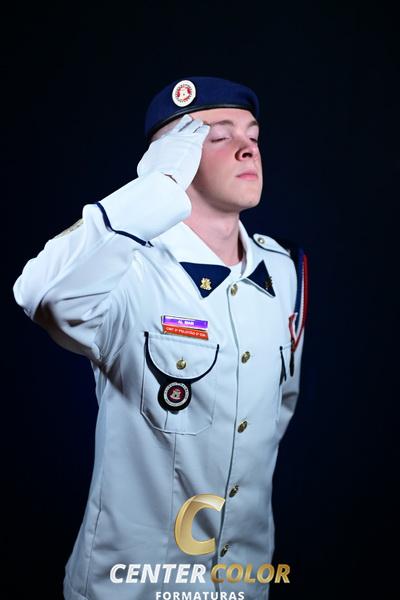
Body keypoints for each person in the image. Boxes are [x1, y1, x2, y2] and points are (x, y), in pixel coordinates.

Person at [13, 76, 308, 600]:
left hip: (242, 584)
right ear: (174, 157)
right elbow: (40, 294)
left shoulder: (283, 272)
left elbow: (275, 414)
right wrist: (158, 185)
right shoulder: (127, 269)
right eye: (218, 137)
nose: (247, 148)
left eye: (253, 135)